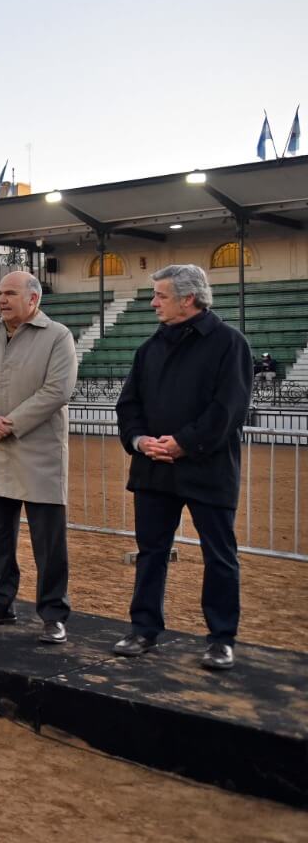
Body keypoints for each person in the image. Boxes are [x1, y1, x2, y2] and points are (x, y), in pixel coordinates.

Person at [114, 264, 251, 671]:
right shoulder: (149, 347)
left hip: (208, 469)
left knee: (219, 556)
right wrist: (140, 440)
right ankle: (143, 629)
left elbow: (229, 409)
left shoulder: (230, 344)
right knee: (151, 552)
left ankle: (221, 638)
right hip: (153, 469)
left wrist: (184, 444)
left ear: (188, 298)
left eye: (160, 295)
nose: (153, 302)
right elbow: (128, 405)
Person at [0, 272, 77, 643]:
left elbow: (58, 390)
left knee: (49, 543)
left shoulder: (57, 335)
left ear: (33, 299)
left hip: (38, 452)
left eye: (10, 293)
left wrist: (9, 423)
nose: (1, 300)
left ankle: (53, 614)